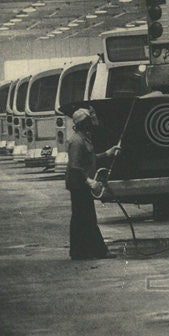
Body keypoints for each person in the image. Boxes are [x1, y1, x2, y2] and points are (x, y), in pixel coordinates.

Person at [65, 107, 121, 260]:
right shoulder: (76, 141)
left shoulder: (84, 138)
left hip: (80, 184)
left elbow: (90, 158)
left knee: (82, 217)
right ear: (83, 123)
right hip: (79, 185)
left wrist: (107, 153)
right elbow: (75, 165)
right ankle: (96, 251)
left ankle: (80, 252)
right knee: (85, 217)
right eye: (89, 121)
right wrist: (88, 181)